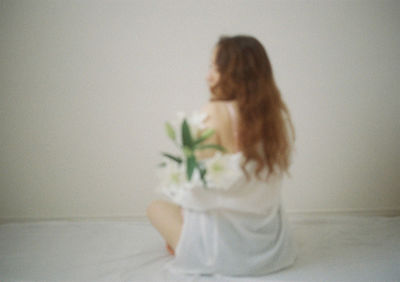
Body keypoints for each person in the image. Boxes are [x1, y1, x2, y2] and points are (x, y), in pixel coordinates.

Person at [147, 34, 297, 277]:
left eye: (215, 68)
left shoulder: (215, 112)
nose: (208, 76)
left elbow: (197, 182)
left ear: (235, 72)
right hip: (270, 249)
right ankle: (183, 239)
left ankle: (183, 245)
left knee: (156, 207)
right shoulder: (274, 118)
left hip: (222, 254)